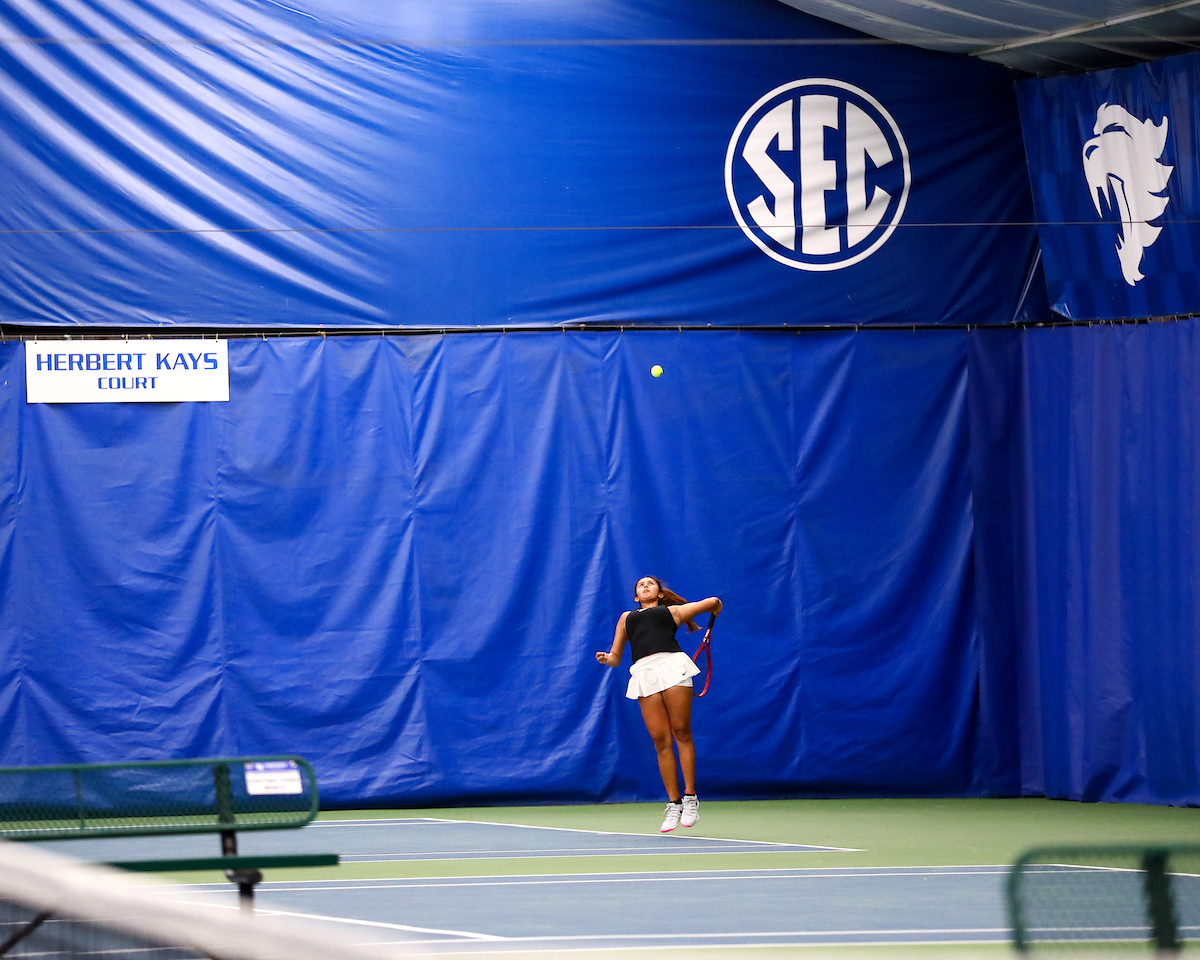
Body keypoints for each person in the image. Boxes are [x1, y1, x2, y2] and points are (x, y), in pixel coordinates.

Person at [596, 576, 722, 832]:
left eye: (650, 584)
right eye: (640, 585)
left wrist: (715, 607)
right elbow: (617, 657)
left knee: (681, 732)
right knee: (660, 740)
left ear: (660, 593)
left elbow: (712, 602)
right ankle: (673, 803)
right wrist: (607, 658)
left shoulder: (672, 611)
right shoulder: (626, 618)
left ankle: (690, 798)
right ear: (635, 597)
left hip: (672, 666)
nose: (645, 586)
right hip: (644, 673)